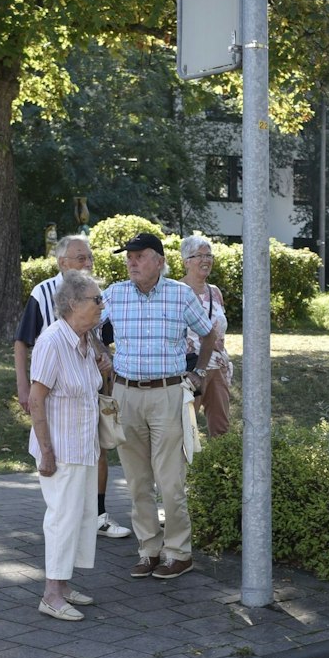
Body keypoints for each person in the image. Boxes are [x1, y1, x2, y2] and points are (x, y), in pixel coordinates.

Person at [102, 231, 213, 579]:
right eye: (129, 256)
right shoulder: (114, 294)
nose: (131, 261)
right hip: (125, 395)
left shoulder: (180, 295)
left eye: (139, 255)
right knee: (137, 482)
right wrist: (103, 355)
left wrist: (199, 372)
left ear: (160, 261)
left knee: (170, 482)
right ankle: (149, 550)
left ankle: (179, 553)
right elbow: (87, 328)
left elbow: (208, 333)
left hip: (168, 393)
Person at [15, 234, 129, 539]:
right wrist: (24, 387)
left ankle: (97, 514)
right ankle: (66, 517)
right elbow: (21, 340)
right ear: (62, 262)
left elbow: (102, 340)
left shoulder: (94, 294)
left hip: (88, 385)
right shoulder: (42, 293)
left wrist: (104, 359)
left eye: (90, 257)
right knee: (62, 464)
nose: (88, 262)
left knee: (96, 449)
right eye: (81, 258)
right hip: (54, 387)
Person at [28, 271, 106, 620]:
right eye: (96, 299)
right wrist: (46, 452)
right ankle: (50, 595)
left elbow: (91, 390)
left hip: (84, 445)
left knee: (81, 517)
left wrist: (105, 364)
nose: (101, 305)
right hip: (60, 449)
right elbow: (36, 400)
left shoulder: (87, 340)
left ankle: (62, 585)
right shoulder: (53, 341)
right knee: (62, 519)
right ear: (73, 303)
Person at [179, 234, 232, 438]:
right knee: (186, 429)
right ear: (186, 261)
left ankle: (219, 460)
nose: (206, 260)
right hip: (190, 369)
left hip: (217, 367)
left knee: (221, 429)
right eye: (199, 255)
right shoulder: (176, 291)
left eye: (209, 255)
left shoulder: (215, 292)